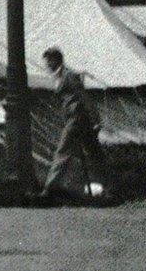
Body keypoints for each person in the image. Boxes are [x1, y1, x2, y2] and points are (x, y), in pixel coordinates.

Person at [38, 47, 114, 202]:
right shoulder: (58, 76)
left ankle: (48, 190)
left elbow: (84, 98)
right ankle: (111, 188)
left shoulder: (69, 76)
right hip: (78, 119)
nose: (46, 65)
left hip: (77, 118)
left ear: (55, 60)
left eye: (48, 61)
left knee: (63, 152)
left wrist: (96, 120)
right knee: (95, 154)